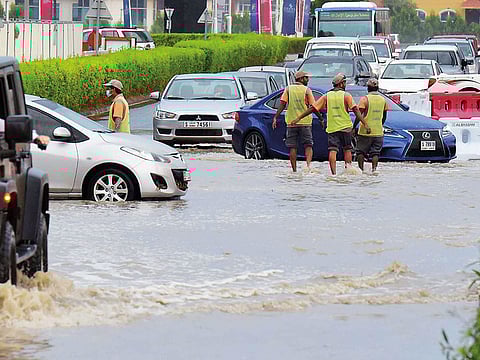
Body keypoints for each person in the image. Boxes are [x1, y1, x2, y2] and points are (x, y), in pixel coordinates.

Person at [292, 73, 370, 175]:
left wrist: (299, 117)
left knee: (333, 150)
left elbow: (313, 108)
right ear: (341, 84)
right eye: (344, 83)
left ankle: (333, 174)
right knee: (347, 149)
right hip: (346, 127)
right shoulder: (346, 96)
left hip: (332, 128)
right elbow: (356, 111)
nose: (345, 84)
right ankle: (348, 171)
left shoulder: (327, 96)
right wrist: (365, 123)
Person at [272, 71, 322, 172]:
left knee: (292, 147)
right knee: (308, 145)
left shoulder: (288, 89)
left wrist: (275, 117)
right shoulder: (307, 90)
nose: (308, 80)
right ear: (301, 79)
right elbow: (313, 107)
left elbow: (282, 104)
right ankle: (308, 167)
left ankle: (294, 170)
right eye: (306, 78)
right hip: (305, 123)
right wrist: (320, 118)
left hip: (291, 123)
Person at [353, 78, 387, 173]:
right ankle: (374, 170)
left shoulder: (365, 99)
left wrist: (353, 127)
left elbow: (359, 115)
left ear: (368, 88)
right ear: (378, 88)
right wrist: (380, 125)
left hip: (365, 131)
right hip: (378, 131)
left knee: (360, 152)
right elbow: (384, 117)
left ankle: (361, 170)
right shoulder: (383, 100)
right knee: (375, 153)